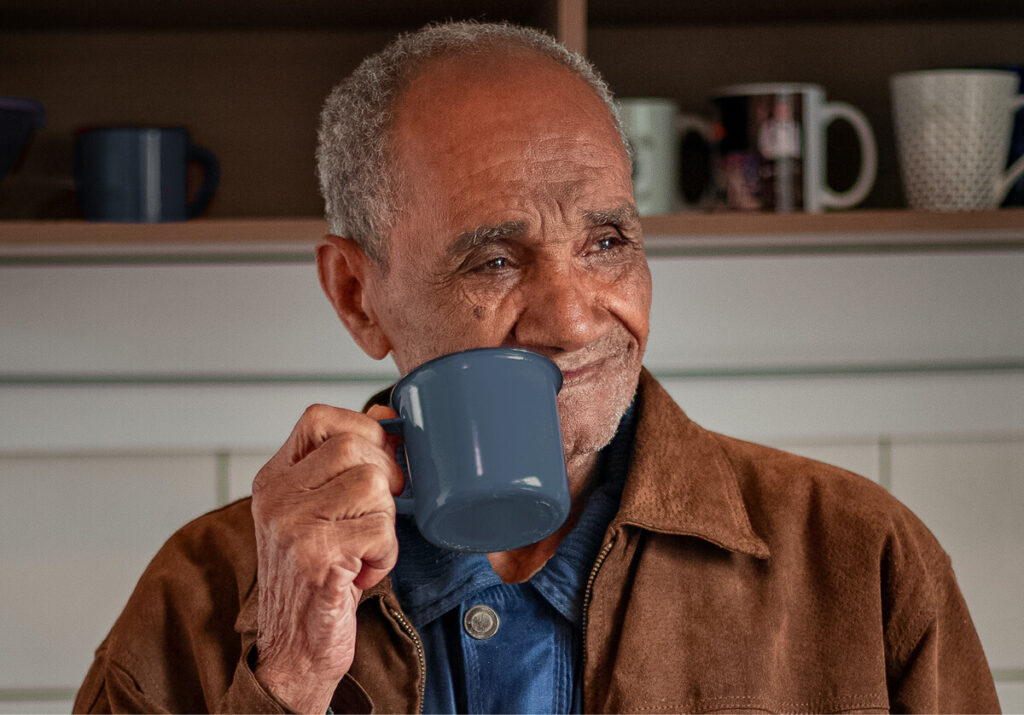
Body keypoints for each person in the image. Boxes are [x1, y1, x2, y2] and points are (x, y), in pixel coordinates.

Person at [74, 21, 1000, 714]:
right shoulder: (200, 592)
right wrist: (284, 679)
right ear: (358, 294)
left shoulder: (860, 559)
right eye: (493, 259)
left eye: (606, 241)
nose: (573, 318)